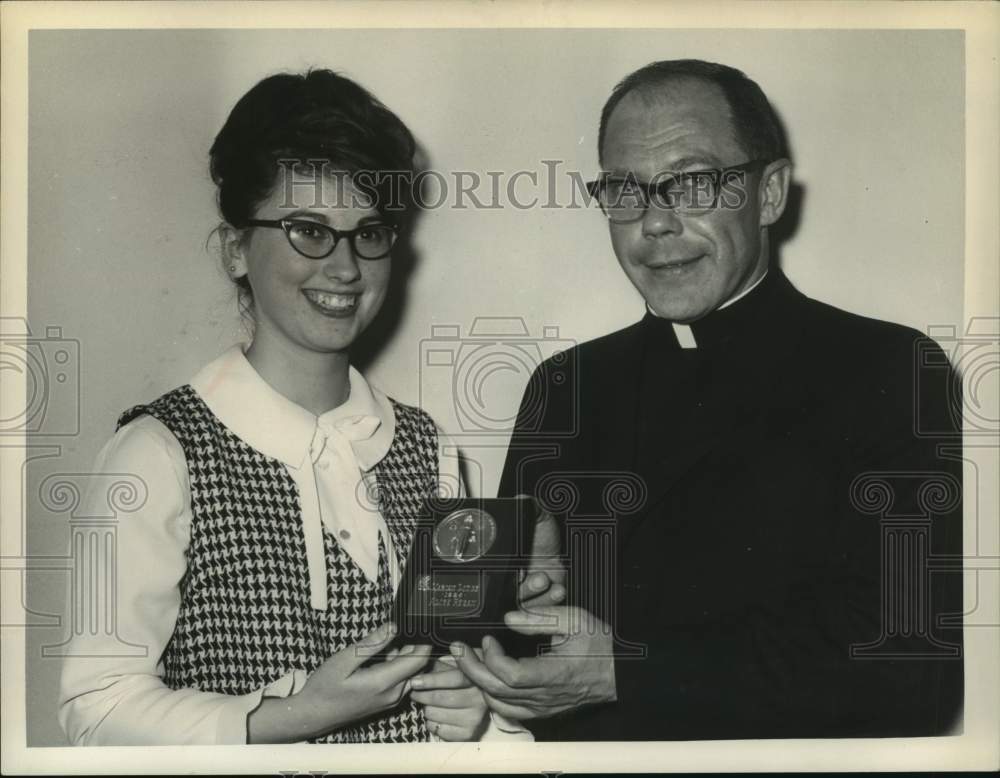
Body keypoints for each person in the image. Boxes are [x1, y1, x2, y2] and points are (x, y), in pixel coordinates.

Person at [450, 59, 964, 740]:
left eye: (690, 184)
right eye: (626, 192)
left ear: (770, 193)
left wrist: (624, 672)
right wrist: (511, 613)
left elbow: (913, 667)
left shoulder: (890, 367)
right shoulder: (564, 386)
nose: (653, 225)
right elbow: (515, 663)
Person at [58, 69, 529, 745]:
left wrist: (479, 717)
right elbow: (94, 711)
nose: (345, 267)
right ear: (236, 250)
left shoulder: (429, 451)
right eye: (309, 230)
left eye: (369, 232)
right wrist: (296, 714)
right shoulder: (159, 453)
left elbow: (471, 695)